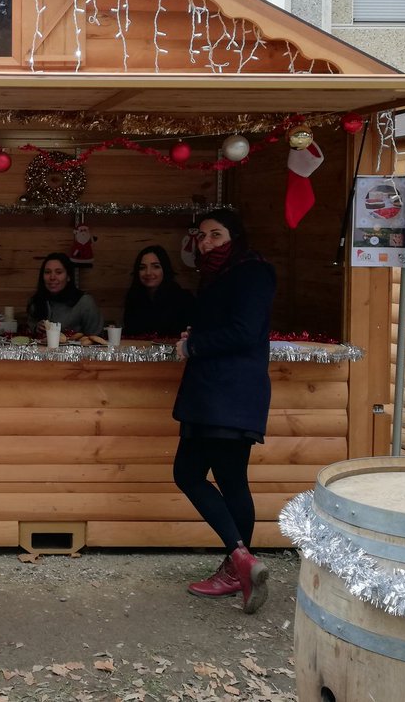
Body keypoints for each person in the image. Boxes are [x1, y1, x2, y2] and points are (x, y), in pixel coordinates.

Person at [171, 208, 275, 614]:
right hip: (214, 392)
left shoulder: (253, 271)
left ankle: (238, 562)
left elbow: (246, 330)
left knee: (205, 476)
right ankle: (240, 563)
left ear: (236, 236)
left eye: (216, 234)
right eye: (202, 236)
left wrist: (195, 345)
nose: (207, 242)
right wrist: (197, 335)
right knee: (214, 477)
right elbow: (226, 324)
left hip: (229, 393)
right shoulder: (221, 273)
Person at [121, 245, 194, 337]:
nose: (148, 272)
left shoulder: (183, 299)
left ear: (165, 269)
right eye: (142, 268)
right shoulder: (134, 297)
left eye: (156, 266)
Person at [25, 252, 104, 336]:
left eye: (58, 272)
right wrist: (36, 328)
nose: (52, 277)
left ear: (68, 276)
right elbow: (30, 331)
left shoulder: (84, 302)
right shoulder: (36, 301)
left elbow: (97, 339)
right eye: (47, 272)